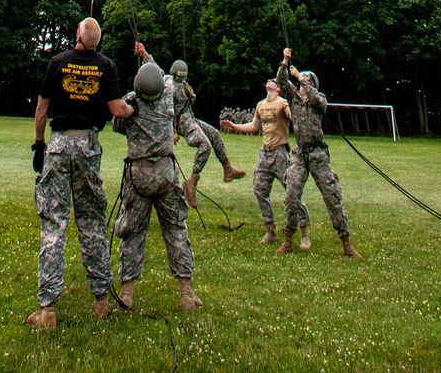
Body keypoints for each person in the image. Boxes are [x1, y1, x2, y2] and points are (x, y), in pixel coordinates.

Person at [28, 16, 135, 331]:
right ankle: (101, 299)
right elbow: (117, 109)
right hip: (88, 146)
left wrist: (38, 146)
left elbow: (41, 109)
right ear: (96, 42)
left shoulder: (58, 62)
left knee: (54, 223)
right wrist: (134, 109)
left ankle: (47, 310)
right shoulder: (106, 66)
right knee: (91, 222)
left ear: (77, 35)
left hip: (59, 145)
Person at [113, 43, 201, 313]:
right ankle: (186, 294)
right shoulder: (168, 98)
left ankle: (126, 293)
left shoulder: (131, 101)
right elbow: (162, 76)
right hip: (166, 174)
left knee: (133, 232)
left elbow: (117, 125)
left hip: (138, 177)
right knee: (176, 230)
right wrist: (147, 55)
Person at [275, 47, 362, 259]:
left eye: (305, 79)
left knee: (332, 198)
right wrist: (285, 62)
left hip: (318, 155)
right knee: (291, 195)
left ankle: (346, 244)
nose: (300, 82)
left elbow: (317, 100)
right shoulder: (294, 98)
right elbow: (280, 81)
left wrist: (301, 78)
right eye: (300, 79)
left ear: (311, 83)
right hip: (300, 155)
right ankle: (287, 241)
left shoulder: (318, 98)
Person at [221, 76, 310, 246]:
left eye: (274, 82)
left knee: (292, 192)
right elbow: (254, 126)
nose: (270, 82)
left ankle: (304, 231)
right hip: (265, 153)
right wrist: (235, 126)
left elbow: (295, 117)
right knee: (259, 190)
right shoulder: (261, 105)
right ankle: (271, 231)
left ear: (279, 89)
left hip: (280, 154)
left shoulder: (283, 103)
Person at [169, 59, 245, 207]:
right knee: (205, 145)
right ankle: (191, 182)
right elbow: (169, 110)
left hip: (190, 119)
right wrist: (172, 130)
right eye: (180, 77)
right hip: (184, 124)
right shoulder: (172, 88)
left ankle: (227, 168)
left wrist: (145, 53)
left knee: (214, 134)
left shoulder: (176, 83)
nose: (182, 79)